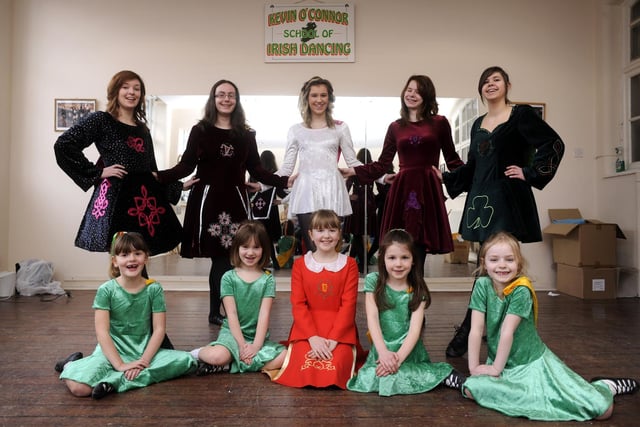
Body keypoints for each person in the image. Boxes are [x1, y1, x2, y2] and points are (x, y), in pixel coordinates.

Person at [438, 66, 565, 357]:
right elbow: (472, 166)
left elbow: (553, 143)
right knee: (487, 267)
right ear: (480, 90)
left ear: (507, 85)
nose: (490, 84)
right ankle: (483, 327)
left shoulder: (521, 115)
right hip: (482, 201)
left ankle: (477, 329)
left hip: (507, 200)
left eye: (496, 79)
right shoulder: (478, 122)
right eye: (485, 81)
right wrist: (444, 177)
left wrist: (530, 172)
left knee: (500, 266)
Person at [461, 232, 638, 421]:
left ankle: (604, 386)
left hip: (531, 365)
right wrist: (473, 367)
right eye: (494, 260)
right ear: (484, 263)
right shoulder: (482, 285)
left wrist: (495, 370)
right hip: (503, 365)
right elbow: (476, 329)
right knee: (471, 388)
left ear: (518, 263)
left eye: (509, 260)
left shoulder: (521, 289)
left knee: (602, 411)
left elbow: (507, 331)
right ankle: (521, 394)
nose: (502, 265)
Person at [154, 80, 289, 326]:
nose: (226, 99)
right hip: (208, 202)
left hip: (236, 201)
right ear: (213, 99)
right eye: (221, 95)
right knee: (220, 258)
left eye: (231, 95)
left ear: (236, 100)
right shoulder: (200, 131)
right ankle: (216, 310)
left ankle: (232, 309)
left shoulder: (247, 135)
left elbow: (256, 168)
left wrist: (284, 180)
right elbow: (186, 165)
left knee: (235, 256)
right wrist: (159, 176)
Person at [341, 75, 463, 275]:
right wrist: (354, 170)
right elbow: (382, 164)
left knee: (419, 249)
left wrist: (472, 173)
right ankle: (399, 300)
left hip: (428, 188)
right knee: (401, 247)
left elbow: (453, 159)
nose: (412, 94)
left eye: (417, 91)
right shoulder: (395, 127)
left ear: (427, 95)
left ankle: (417, 300)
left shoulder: (439, 123)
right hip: (403, 189)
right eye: (409, 90)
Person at [54, 70, 183, 255]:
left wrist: (179, 186)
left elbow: (151, 171)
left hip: (144, 203)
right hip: (117, 199)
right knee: (123, 257)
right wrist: (97, 172)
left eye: (137, 88)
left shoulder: (143, 130)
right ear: (115, 91)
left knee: (139, 256)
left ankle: (139, 285)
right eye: (126, 87)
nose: (132, 92)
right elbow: (64, 145)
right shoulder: (101, 120)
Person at [54, 232, 197, 400]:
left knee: (186, 360)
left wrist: (143, 362)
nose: (132, 259)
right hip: (111, 352)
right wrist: (120, 364)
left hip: (143, 350)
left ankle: (113, 382)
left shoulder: (154, 289)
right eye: (125, 254)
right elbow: (102, 333)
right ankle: (70, 365)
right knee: (80, 389)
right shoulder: (106, 290)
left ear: (146, 258)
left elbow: (159, 330)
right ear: (115, 261)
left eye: (137, 253)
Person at [346, 229, 464, 396]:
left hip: (408, 351)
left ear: (413, 260)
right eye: (392, 258)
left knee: (396, 373)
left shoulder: (417, 289)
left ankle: (445, 375)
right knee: (370, 378)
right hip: (382, 349)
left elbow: (415, 331)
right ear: (383, 259)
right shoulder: (374, 282)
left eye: (404, 257)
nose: (398, 264)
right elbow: (372, 320)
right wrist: (384, 354)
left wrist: (397, 360)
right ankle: (426, 376)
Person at [270, 209, 367, 389]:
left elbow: (348, 305)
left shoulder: (350, 264)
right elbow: (298, 304)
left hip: (340, 331)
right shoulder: (300, 265)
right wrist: (312, 338)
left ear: (339, 234)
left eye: (332, 230)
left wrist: (334, 339)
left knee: (336, 368)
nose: (326, 236)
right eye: (320, 230)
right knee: (303, 367)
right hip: (307, 329)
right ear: (311, 234)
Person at [271, 76, 362, 253]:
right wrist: (261, 183)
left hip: (332, 190)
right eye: (314, 95)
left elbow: (353, 161)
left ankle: (333, 280)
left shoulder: (340, 128)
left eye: (323, 95)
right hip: (306, 190)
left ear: (330, 99)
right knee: (313, 248)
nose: (319, 100)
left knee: (331, 247)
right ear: (307, 98)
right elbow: (286, 168)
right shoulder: (296, 130)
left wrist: (381, 176)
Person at [191, 221, 287, 375]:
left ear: (264, 249)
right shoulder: (228, 278)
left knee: (284, 356)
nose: (250, 252)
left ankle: (231, 365)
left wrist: (255, 346)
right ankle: (198, 354)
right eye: (245, 247)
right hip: (233, 334)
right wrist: (242, 346)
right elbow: (232, 314)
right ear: (237, 248)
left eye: (256, 247)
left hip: (257, 336)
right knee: (217, 356)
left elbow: (264, 315)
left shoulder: (267, 280)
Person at [251, 150, 288, 270]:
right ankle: (274, 262)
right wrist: (282, 201)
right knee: (268, 239)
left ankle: (258, 263)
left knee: (257, 238)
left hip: (255, 213)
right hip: (270, 212)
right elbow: (282, 194)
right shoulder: (274, 176)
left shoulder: (253, 175)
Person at [343, 148, 377, 274]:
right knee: (359, 234)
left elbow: (345, 187)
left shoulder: (355, 170)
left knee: (357, 234)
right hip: (369, 203)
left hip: (357, 204)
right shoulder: (371, 169)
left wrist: (349, 197)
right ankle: (354, 262)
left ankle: (362, 263)